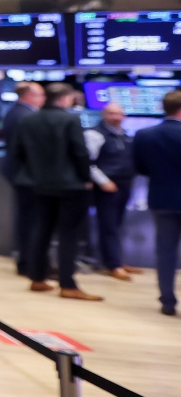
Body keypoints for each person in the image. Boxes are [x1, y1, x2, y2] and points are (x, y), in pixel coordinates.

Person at [10, 84, 100, 300]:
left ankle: (38, 278)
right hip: (71, 187)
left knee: (41, 231)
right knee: (68, 235)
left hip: (40, 185)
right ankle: (68, 284)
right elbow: (80, 152)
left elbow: (17, 153)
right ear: (64, 98)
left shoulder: (28, 120)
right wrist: (86, 178)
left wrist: (35, 174)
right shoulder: (70, 120)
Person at [132, 87, 181, 317]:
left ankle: (167, 301)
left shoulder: (145, 135)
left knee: (165, 253)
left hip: (161, 199)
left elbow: (140, 168)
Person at [85, 101, 138, 281]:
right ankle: (112, 264)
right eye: (111, 114)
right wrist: (103, 181)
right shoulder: (94, 134)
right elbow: (88, 163)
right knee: (108, 226)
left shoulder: (126, 136)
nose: (115, 117)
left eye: (119, 114)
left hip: (125, 185)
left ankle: (117, 260)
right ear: (103, 115)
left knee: (117, 225)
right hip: (107, 186)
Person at [1, 81, 45, 277]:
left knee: (26, 220)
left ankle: (27, 261)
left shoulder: (16, 112)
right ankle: (28, 263)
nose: (43, 99)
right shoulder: (25, 116)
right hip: (26, 175)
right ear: (28, 96)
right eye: (40, 95)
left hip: (20, 173)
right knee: (30, 221)